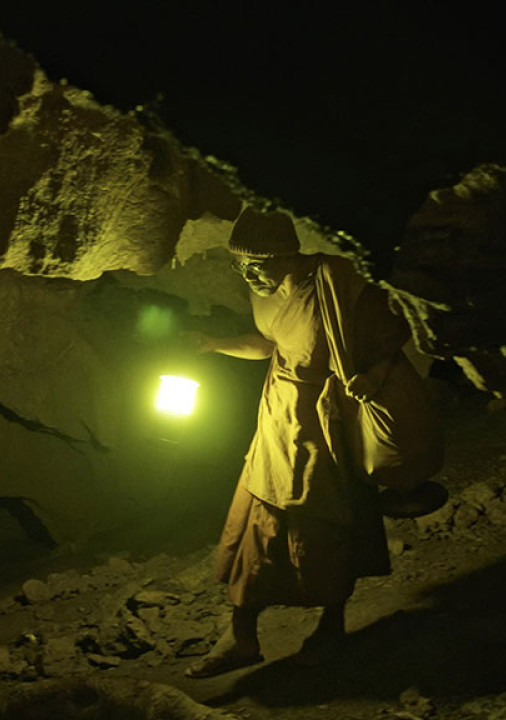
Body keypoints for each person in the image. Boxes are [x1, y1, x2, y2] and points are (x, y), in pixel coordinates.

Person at [181, 206, 442, 678]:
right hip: (278, 419)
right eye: (240, 266)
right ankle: (240, 634)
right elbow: (271, 345)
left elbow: (390, 336)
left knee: (331, 522)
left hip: (326, 425)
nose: (249, 275)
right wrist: (213, 344)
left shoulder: (334, 283)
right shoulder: (262, 292)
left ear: (286, 254)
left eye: (256, 264)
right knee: (257, 522)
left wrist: (372, 377)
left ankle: (330, 626)